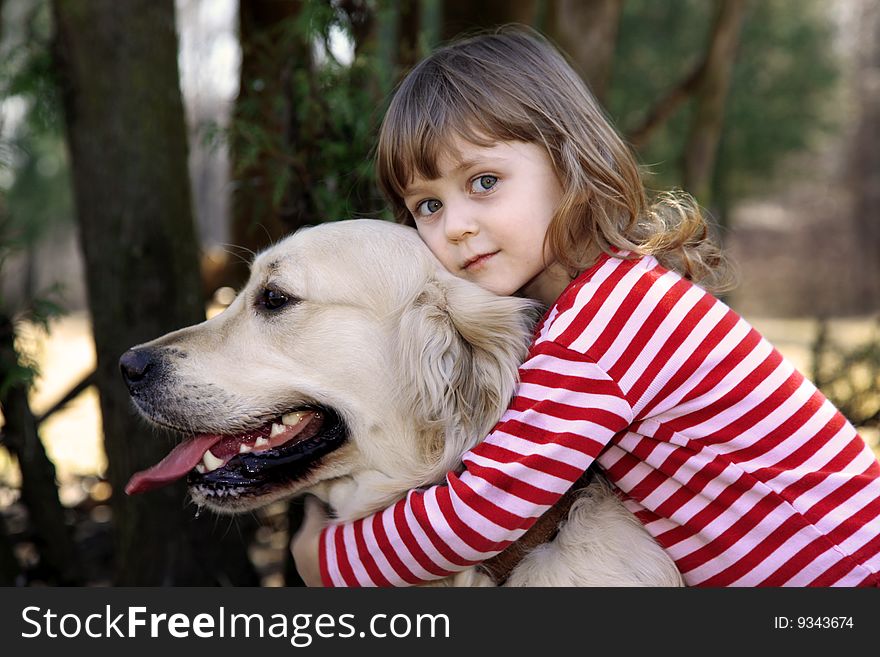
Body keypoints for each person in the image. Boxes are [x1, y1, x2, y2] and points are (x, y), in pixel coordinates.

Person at [291, 26, 880, 587]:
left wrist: (328, 559)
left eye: (485, 182)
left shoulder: (606, 323)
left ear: (567, 162)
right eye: (426, 205)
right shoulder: (607, 298)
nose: (457, 227)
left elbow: (485, 510)